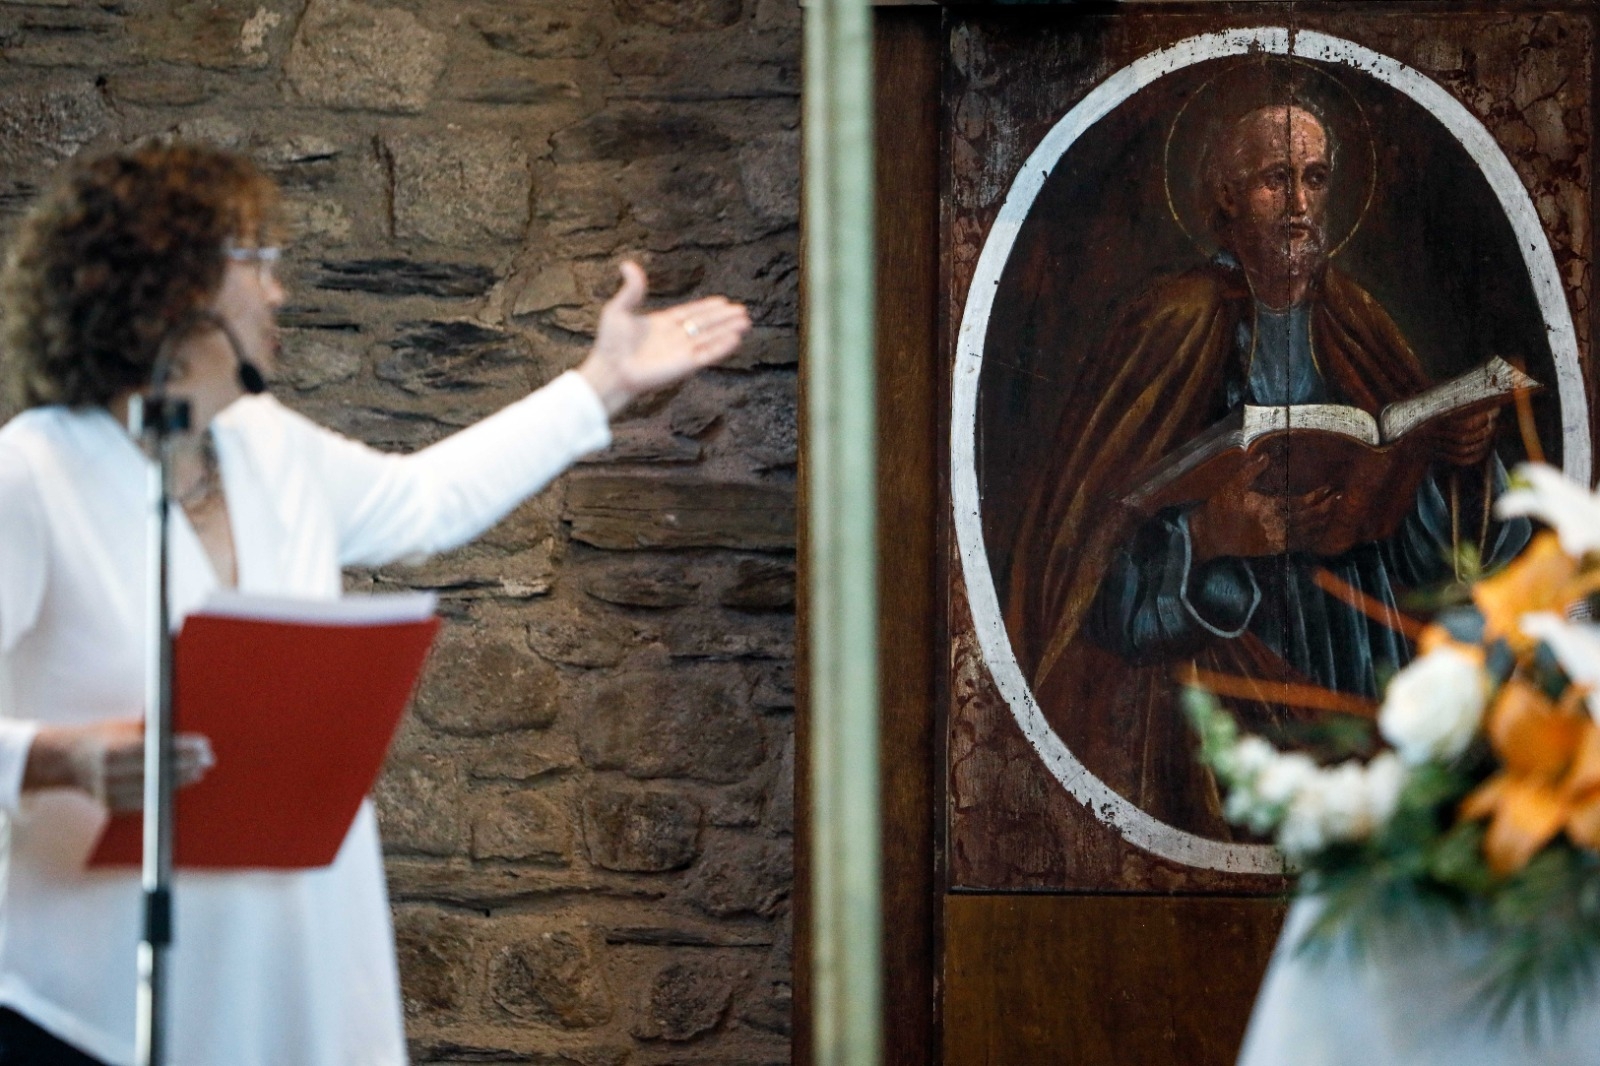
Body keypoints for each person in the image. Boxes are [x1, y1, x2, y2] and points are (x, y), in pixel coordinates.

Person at [0, 141, 750, 1065]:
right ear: (168, 283)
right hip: (89, 999)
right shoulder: (32, 472)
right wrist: (54, 758)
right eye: (257, 264)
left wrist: (601, 384)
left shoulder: (266, 445)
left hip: (282, 973)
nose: (278, 294)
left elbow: (425, 502)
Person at [1004, 103, 1527, 836]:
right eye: (1275, 180)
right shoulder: (1168, 324)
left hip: (1357, 657)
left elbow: (1427, 559)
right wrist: (1209, 538)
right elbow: (1085, 553)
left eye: (1315, 178)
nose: (1301, 205)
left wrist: (1446, 465)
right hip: (1215, 681)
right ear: (1225, 197)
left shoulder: (1355, 319)